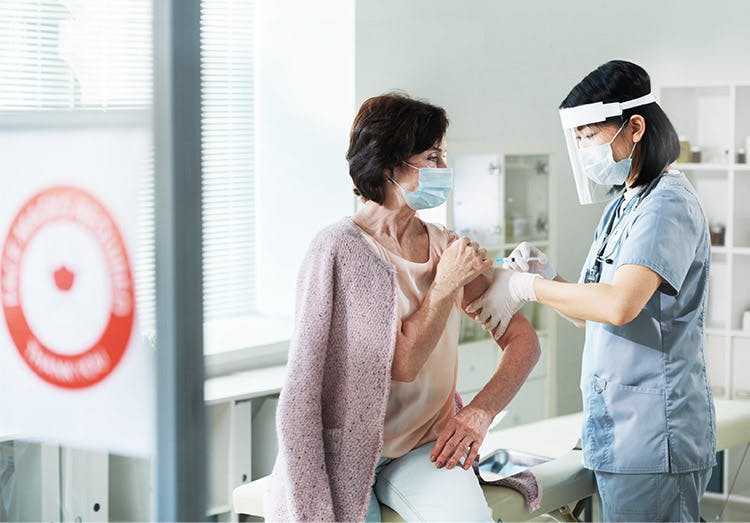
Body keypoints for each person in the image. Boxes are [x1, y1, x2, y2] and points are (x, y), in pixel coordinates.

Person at [265, 92, 540, 522]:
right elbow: (403, 362)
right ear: (392, 167)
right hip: (348, 454)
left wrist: (479, 413)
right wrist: (445, 284)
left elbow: (523, 340)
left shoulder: (447, 246)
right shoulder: (338, 250)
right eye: (432, 157)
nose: (444, 170)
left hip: (424, 449)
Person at [469, 60, 716, 522]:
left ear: (635, 126)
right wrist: (552, 276)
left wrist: (528, 286)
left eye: (589, 136)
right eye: (577, 139)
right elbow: (592, 312)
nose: (582, 150)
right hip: (619, 433)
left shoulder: (666, 204)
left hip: (653, 438)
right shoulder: (625, 203)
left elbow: (621, 305)